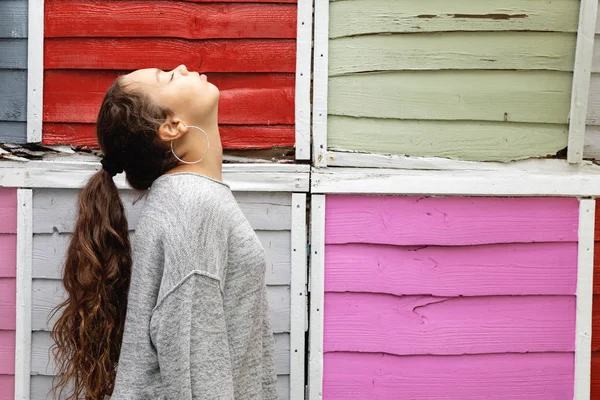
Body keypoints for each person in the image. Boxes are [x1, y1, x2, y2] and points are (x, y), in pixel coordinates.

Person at [50, 65, 278, 400]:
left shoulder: (188, 198)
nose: (183, 68)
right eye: (168, 76)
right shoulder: (193, 205)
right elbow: (195, 371)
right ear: (172, 127)